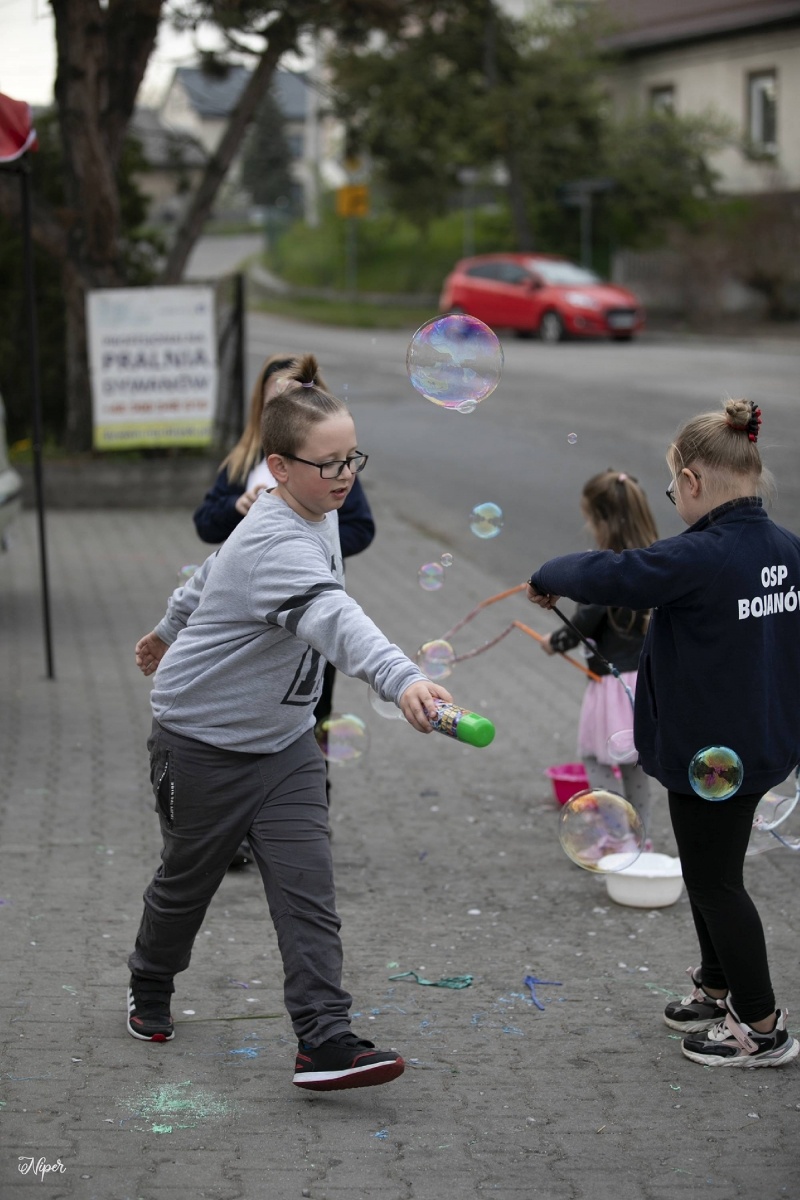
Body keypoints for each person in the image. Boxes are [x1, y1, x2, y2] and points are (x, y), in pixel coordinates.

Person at [129, 354, 453, 1091]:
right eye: (328, 464)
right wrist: (401, 677)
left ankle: (324, 1040)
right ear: (276, 466)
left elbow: (206, 575)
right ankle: (149, 982)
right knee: (186, 885)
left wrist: (166, 627)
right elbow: (333, 616)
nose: (344, 476)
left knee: (309, 892)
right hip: (200, 745)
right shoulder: (276, 539)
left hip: (283, 746)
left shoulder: (315, 511)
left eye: (352, 459)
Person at [528, 399, 800, 1069]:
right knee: (713, 872)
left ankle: (761, 1026)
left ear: (696, 481)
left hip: (712, 757)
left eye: (673, 481)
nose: (673, 493)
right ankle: (717, 983)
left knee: (715, 884)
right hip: (756, 745)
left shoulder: (702, 554)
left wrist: (547, 575)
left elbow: (620, 573)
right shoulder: (784, 549)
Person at [193, 353, 376, 865]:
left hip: (311, 624)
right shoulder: (241, 462)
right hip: (249, 629)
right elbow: (205, 526)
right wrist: (238, 509)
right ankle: (235, 828)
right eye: (276, 397)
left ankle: (307, 817)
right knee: (246, 726)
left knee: (312, 718)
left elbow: (361, 528)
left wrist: (309, 541)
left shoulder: (330, 473)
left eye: (297, 394)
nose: (286, 405)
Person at [539, 470, 658, 834]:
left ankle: (615, 839)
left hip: (611, 688)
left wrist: (554, 641)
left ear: (602, 519)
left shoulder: (605, 572)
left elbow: (582, 623)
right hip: (645, 686)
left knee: (598, 761)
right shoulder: (652, 563)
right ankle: (640, 839)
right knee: (637, 764)